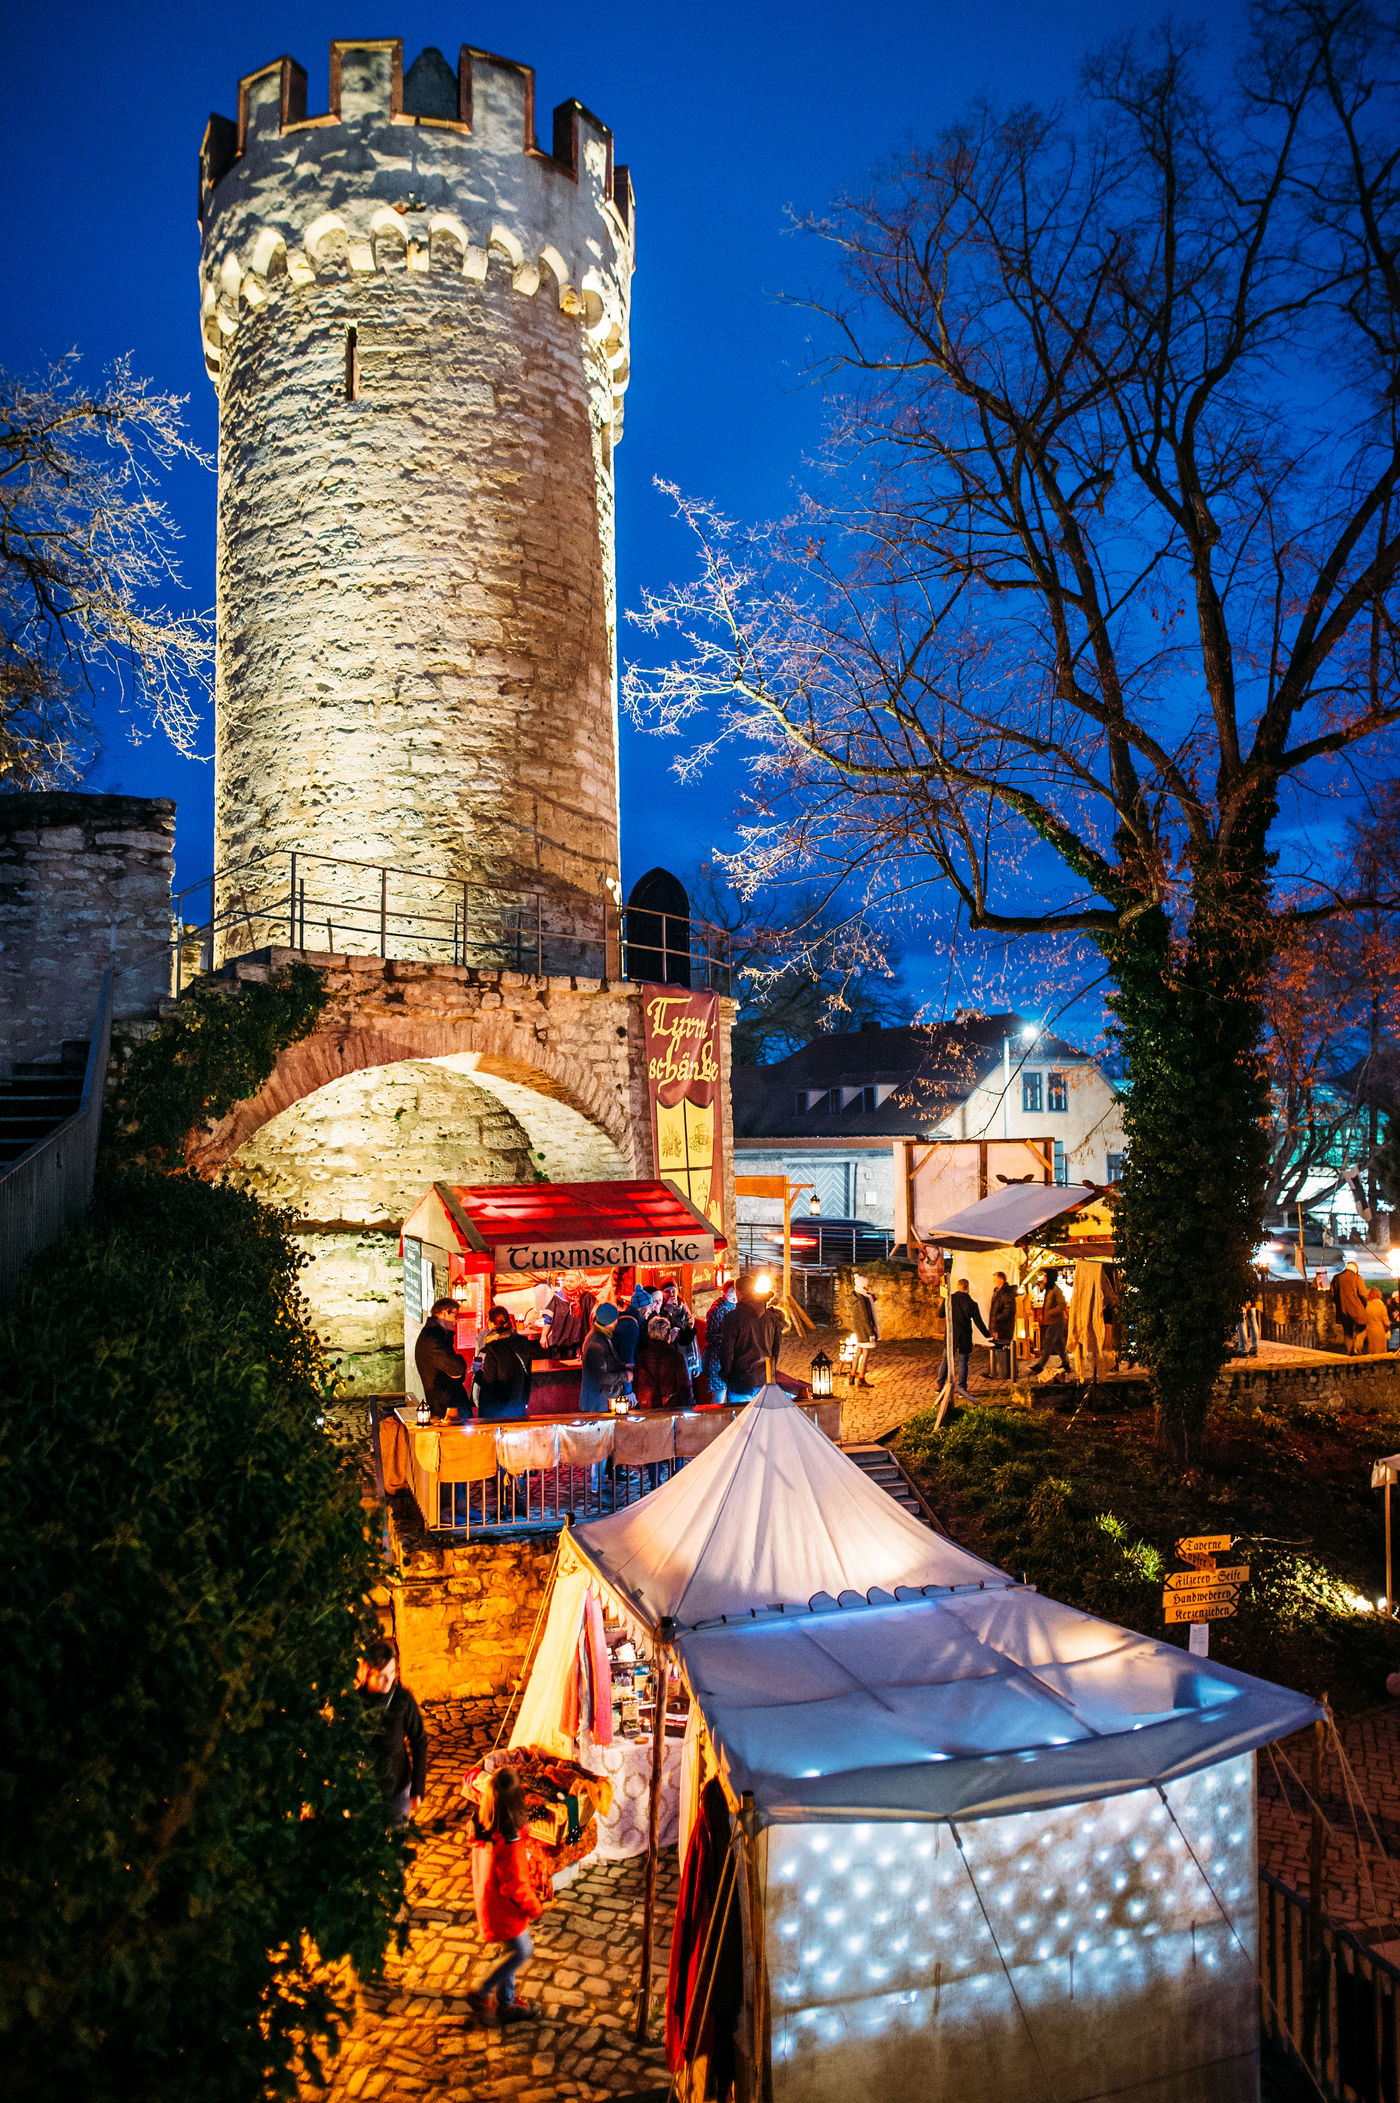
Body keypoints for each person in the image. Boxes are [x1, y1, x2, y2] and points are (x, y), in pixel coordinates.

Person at [467, 1768, 543, 2024]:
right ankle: (482, 1990)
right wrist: (534, 1907)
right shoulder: (508, 1842)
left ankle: (507, 2004)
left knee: (512, 1951)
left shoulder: (483, 1826)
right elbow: (516, 1885)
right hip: (505, 1909)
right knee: (521, 1951)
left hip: (490, 1902)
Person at [359, 1638, 427, 1824]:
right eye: (381, 1675)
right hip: (364, 1793)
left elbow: (419, 1740)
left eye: (392, 1672)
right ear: (367, 1674)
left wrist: (418, 1786)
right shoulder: (355, 1704)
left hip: (397, 1789)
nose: (389, 1679)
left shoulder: (402, 1700)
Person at [717, 1273, 784, 1405]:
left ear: (738, 1292)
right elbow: (775, 1349)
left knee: (743, 1422)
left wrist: (726, 1375)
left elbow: (727, 1351)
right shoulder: (770, 1317)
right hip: (764, 1380)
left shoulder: (733, 1318)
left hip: (741, 1381)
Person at [475, 1305, 535, 1420]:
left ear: (492, 1323)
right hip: (518, 1403)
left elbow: (488, 1382)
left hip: (496, 1407)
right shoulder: (524, 1342)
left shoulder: (493, 1347)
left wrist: (477, 1373)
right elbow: (528, 1375)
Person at [414, 1297, 469, 1420]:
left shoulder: (437, 1335)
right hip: (444, 1406)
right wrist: (460, 1361)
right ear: (445, 1312)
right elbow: (457, 1369)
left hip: (448, 1402)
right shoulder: (433, 1338)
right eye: (455, 1316)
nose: (456, 1321)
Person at [634, 1314, 694, 1409]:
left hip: (648, 1407)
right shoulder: (677, 1358)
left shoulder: (643, 1356)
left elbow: (637, 1383)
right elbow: (684, 1387)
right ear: (668, 1335)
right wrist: (691, 1406)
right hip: (671, 1407)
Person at [579, 1302, 630, 1412]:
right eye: (616, 1318)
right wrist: (625, 1376)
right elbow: (601, 1377)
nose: (617, 1322)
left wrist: (623, 1366)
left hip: (601, 1400)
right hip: (597, 1404)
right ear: (610, 1321)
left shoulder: (603, 1336)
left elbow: (607, 1364)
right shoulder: (596, 1343)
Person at [948, 1277, 990, 1396]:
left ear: (958, 1287)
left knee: (946, 1359)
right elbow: (978, 1322)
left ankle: (940, 1384)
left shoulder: (950, 1299)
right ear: (967, 1288)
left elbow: (940, 1314)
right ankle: (962, 1387)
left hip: (952, 1334)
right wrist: (987, 1334)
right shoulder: (971, 1303)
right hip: (964, 1336)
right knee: (963, 1362)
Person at [1027, 1269, 1070, 1378]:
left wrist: (1051, 1312)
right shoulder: (1050, 1289)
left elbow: (1062, 1305)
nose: (1044, 1279)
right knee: (1058, 1344)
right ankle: (1066, 1364)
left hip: (1056, 1322)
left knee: (1047, 1342)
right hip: (1052, 1322)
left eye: (1046, 1277)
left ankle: (1040, 1365)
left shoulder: (1056, 1290)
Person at [701, 1280, 737, 1404]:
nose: (735, 1295)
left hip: (733, 1359)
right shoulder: (717, 1310)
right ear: (725, 1292)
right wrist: (729, 1339)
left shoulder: (737, 1307)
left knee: (732, 1394)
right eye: (732, 1291)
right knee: (719, 1395)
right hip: (718, 1360)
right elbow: (710, 1336)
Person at [611, 1284, 657, 1377]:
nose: (651, 1310)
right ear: (639, 1308)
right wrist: (628, 1388)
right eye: (649, 1306)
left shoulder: (629, 1321)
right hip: (623, 1381)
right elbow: (627, 1358)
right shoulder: (630, 1325)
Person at [1334, 1262, 1369, 1355]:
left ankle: (1349, 1351)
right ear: (1355, 1269)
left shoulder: (1336, 1278)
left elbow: (1332, 1295)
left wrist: (1339, 1304)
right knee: (1363, 1328)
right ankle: (1357, 1348)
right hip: (1357, 1310)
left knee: (1347, 1332)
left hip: (1342, 1311)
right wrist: (1365, 1305)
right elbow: (1363, 1294)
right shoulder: (1357, 1278)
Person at [988, 1270, 1018, 1380]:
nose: (993, 1282)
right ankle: (997, 1371)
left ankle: (1003, 1372)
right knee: (997, 1346)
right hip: (997, 1326)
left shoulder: (1007, 1293)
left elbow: (1009, 1310)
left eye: (995, 1279)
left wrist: (996, 1318)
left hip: (1003, 1327)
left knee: (1002, 1347)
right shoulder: (997, 1292)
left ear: (1001, 1280)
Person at [1365, 1286, 1393, 1356]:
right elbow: (1386, 1321)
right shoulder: (1381, 1306)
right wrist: (1388, 1329)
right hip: (1380, 1330)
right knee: (1380, 1351)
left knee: (1372, 1349)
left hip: (1369, 1329)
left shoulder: (1366, 1306)